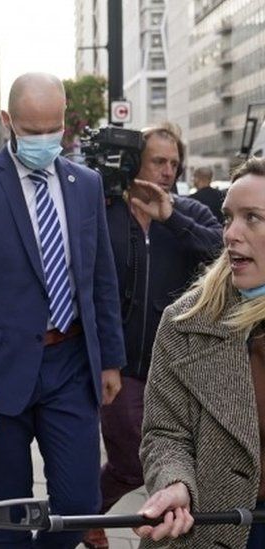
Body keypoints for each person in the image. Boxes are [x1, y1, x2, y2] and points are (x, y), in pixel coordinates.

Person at [0, 72, 125, 549]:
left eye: (52, 128)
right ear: (7, 121)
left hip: (71, 364)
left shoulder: (85, 184)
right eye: (31, 129)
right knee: (10, 511)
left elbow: (100, 277)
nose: (43, 140)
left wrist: (112, 359)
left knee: (79, 506)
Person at [84, 123, 222, 549]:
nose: (166, 171)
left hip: (177, 367)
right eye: (158, 161)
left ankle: (86, 512)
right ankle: (85, 512)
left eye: (174, 164)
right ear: (136, 162)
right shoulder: (107, 211)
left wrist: (172, 218)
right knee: (132, 457)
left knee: (150, 459)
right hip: (119, 363)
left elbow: (222, 251)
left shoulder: (189, 213)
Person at [133, 157, 265, 548]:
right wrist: (174, 483)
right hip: (210, 530)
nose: (231, 234)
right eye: (228, 218)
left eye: (252, 218)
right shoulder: (185, 321)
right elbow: (164, 433)